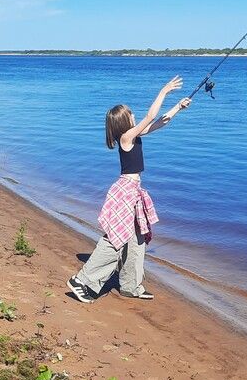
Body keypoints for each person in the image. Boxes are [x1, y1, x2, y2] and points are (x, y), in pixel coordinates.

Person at [67, 75, 191, 302]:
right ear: (124, 122)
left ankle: (130, 285)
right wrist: (164, 91)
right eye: (131, 114)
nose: (135, 115)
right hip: (126, 191)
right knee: (116, 238)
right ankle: (82, 281)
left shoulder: (134, 135)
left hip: (134, 190)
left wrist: (178, 108)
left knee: (137, 238)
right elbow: (150, 116)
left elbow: (159, 122)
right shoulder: (126, 137)